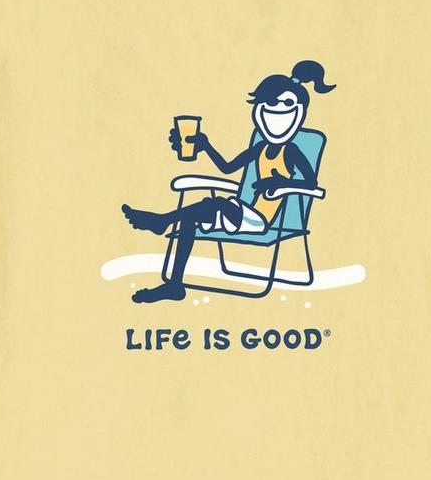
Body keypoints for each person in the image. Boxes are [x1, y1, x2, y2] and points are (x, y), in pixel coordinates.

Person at [121, 60, 334, 303]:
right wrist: (205, 145)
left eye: (286, 104)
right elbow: (227, 167)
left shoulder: (292, 151)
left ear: (299, 113)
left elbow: (313, 186)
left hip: (262, 221)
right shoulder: (260, 148)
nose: (277, 111)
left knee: (215, 204)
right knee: (191, 218)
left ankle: (162, 221)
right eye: (270, 104)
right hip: (244, 212)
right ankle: (174, 286)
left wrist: (279, 185)